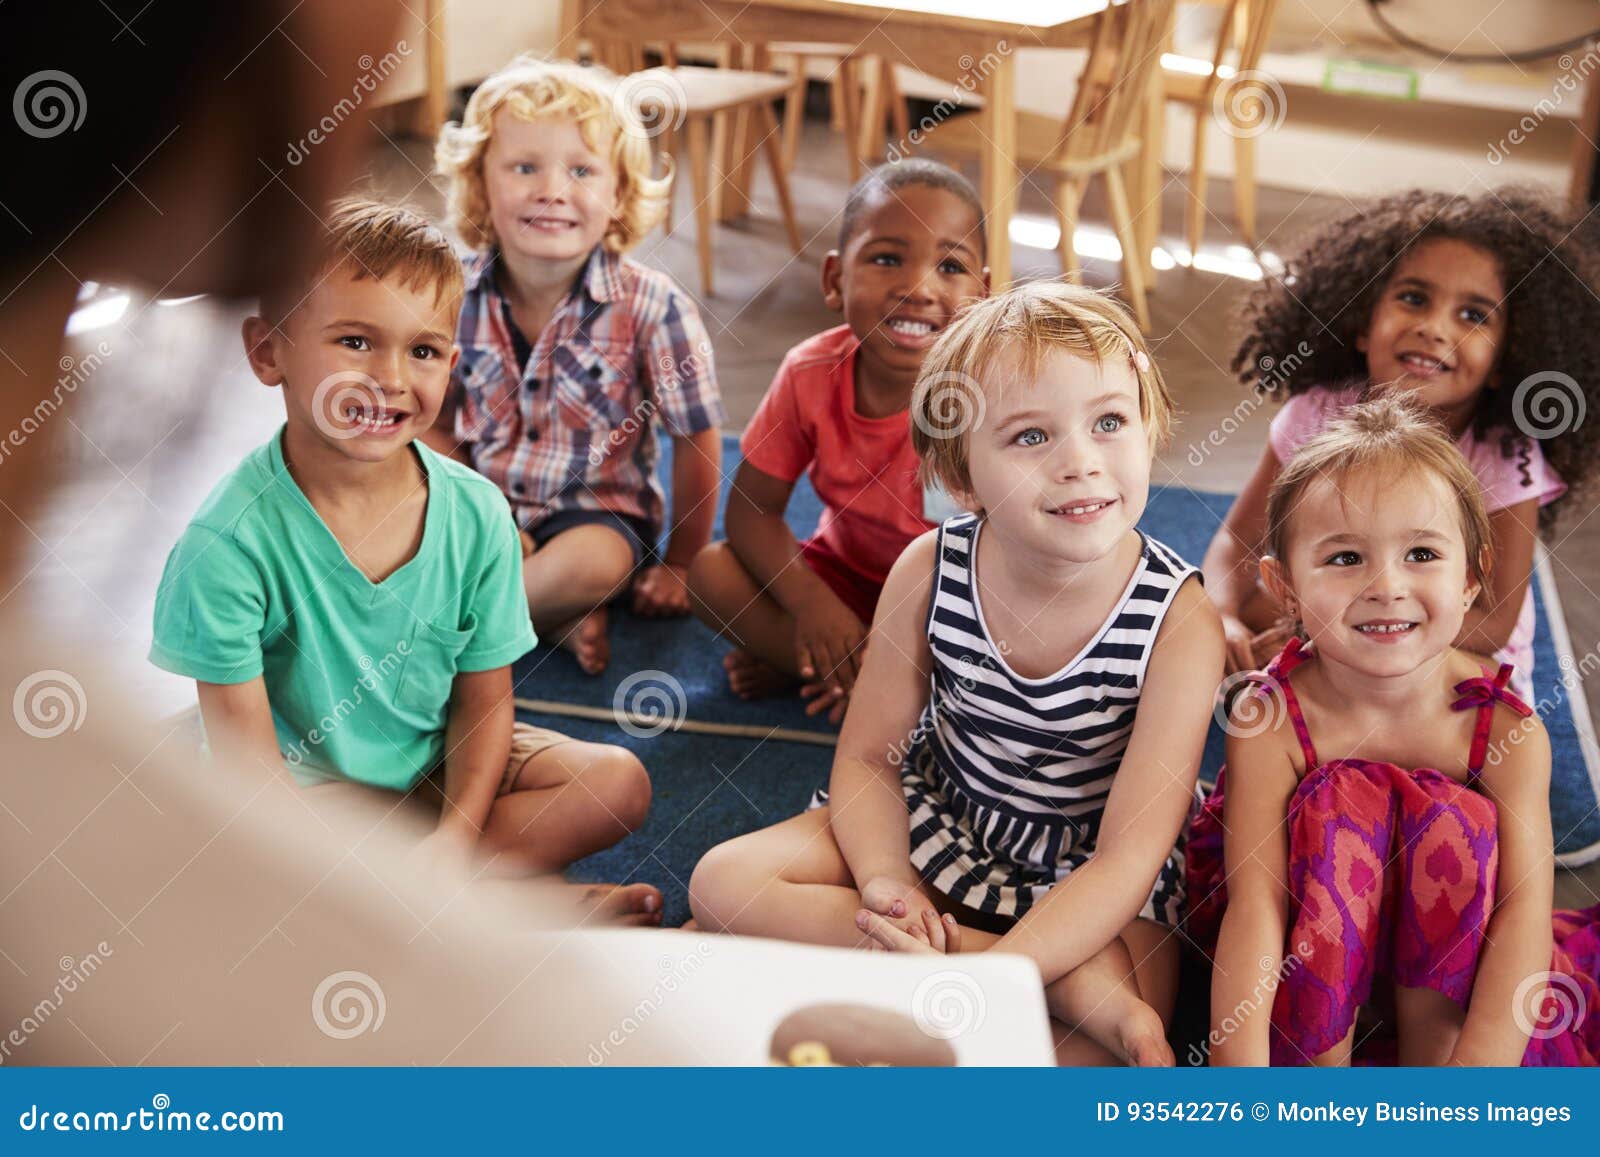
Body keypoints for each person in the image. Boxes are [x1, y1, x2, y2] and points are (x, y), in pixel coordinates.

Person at [690, 281, 1224, 1065]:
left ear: (1148, 430)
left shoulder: (1181, 622)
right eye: (1031, 437)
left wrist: (985, 972)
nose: (1080, 461)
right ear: (963, 476)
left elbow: (1126, 859)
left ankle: (961, 975)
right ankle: (1014, 979)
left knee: (1106, 1058)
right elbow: (870, 756)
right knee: (721, 882)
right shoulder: (929, 567)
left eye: (1109, 422)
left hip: (1091, 869)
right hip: (945, 816)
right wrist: (887, 889)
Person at [148, 199, 660, 922]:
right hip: (295, 800)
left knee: (617, 783)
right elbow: (253, 787)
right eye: (355, 340)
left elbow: (483, 705)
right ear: (269, 351)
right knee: (257, 874)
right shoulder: (225, 544)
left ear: (451, 364)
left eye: (422, 351)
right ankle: (515, 908)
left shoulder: (477, 513)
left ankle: (433, 894)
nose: (391, 377)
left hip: (430, 767)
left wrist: (453, 837)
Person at [1188, 394, 1600, 1066]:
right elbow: (1256, 909)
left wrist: (1480, 1077)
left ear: (1472, 578)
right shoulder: (1270, 721)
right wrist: (1242, 1077)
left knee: (1451, 819)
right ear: (1284, 586)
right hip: (1303, 948)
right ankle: (1316, 1071)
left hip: (1442, 964)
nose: (1386, 585)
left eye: (1420, 552)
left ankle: (1433, 1064)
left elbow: (1524, 912)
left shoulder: (1504, 730)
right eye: (1345, 557)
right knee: (1339, 804)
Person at [1202, 189, 1600, 695]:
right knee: (1208, 620)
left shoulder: (1505, 455)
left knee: (1457, 708)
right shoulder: (1314, 414)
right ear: (1364, 325)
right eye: (1413, 299)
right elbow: (1238, 543)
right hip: (1334, 613)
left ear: (1505, 360)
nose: (1434, 328)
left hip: (1448, 644)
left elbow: (1494, 621)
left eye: (1473, 316)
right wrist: (1221, 613)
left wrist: (1352, 642)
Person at [427, 57, 725, 675]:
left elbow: (695, 436)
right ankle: (549, 617)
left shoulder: (653, 307)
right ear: (482, 185)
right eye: (524, 167)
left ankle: (448, 641)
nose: (552, 191)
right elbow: (435, 421)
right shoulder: (451, 292)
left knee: (593, 565)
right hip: (485, 505)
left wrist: (683, 561)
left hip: (599, 514)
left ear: (618, 197)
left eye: (582, 171)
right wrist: (474, 511)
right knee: (384, 522)